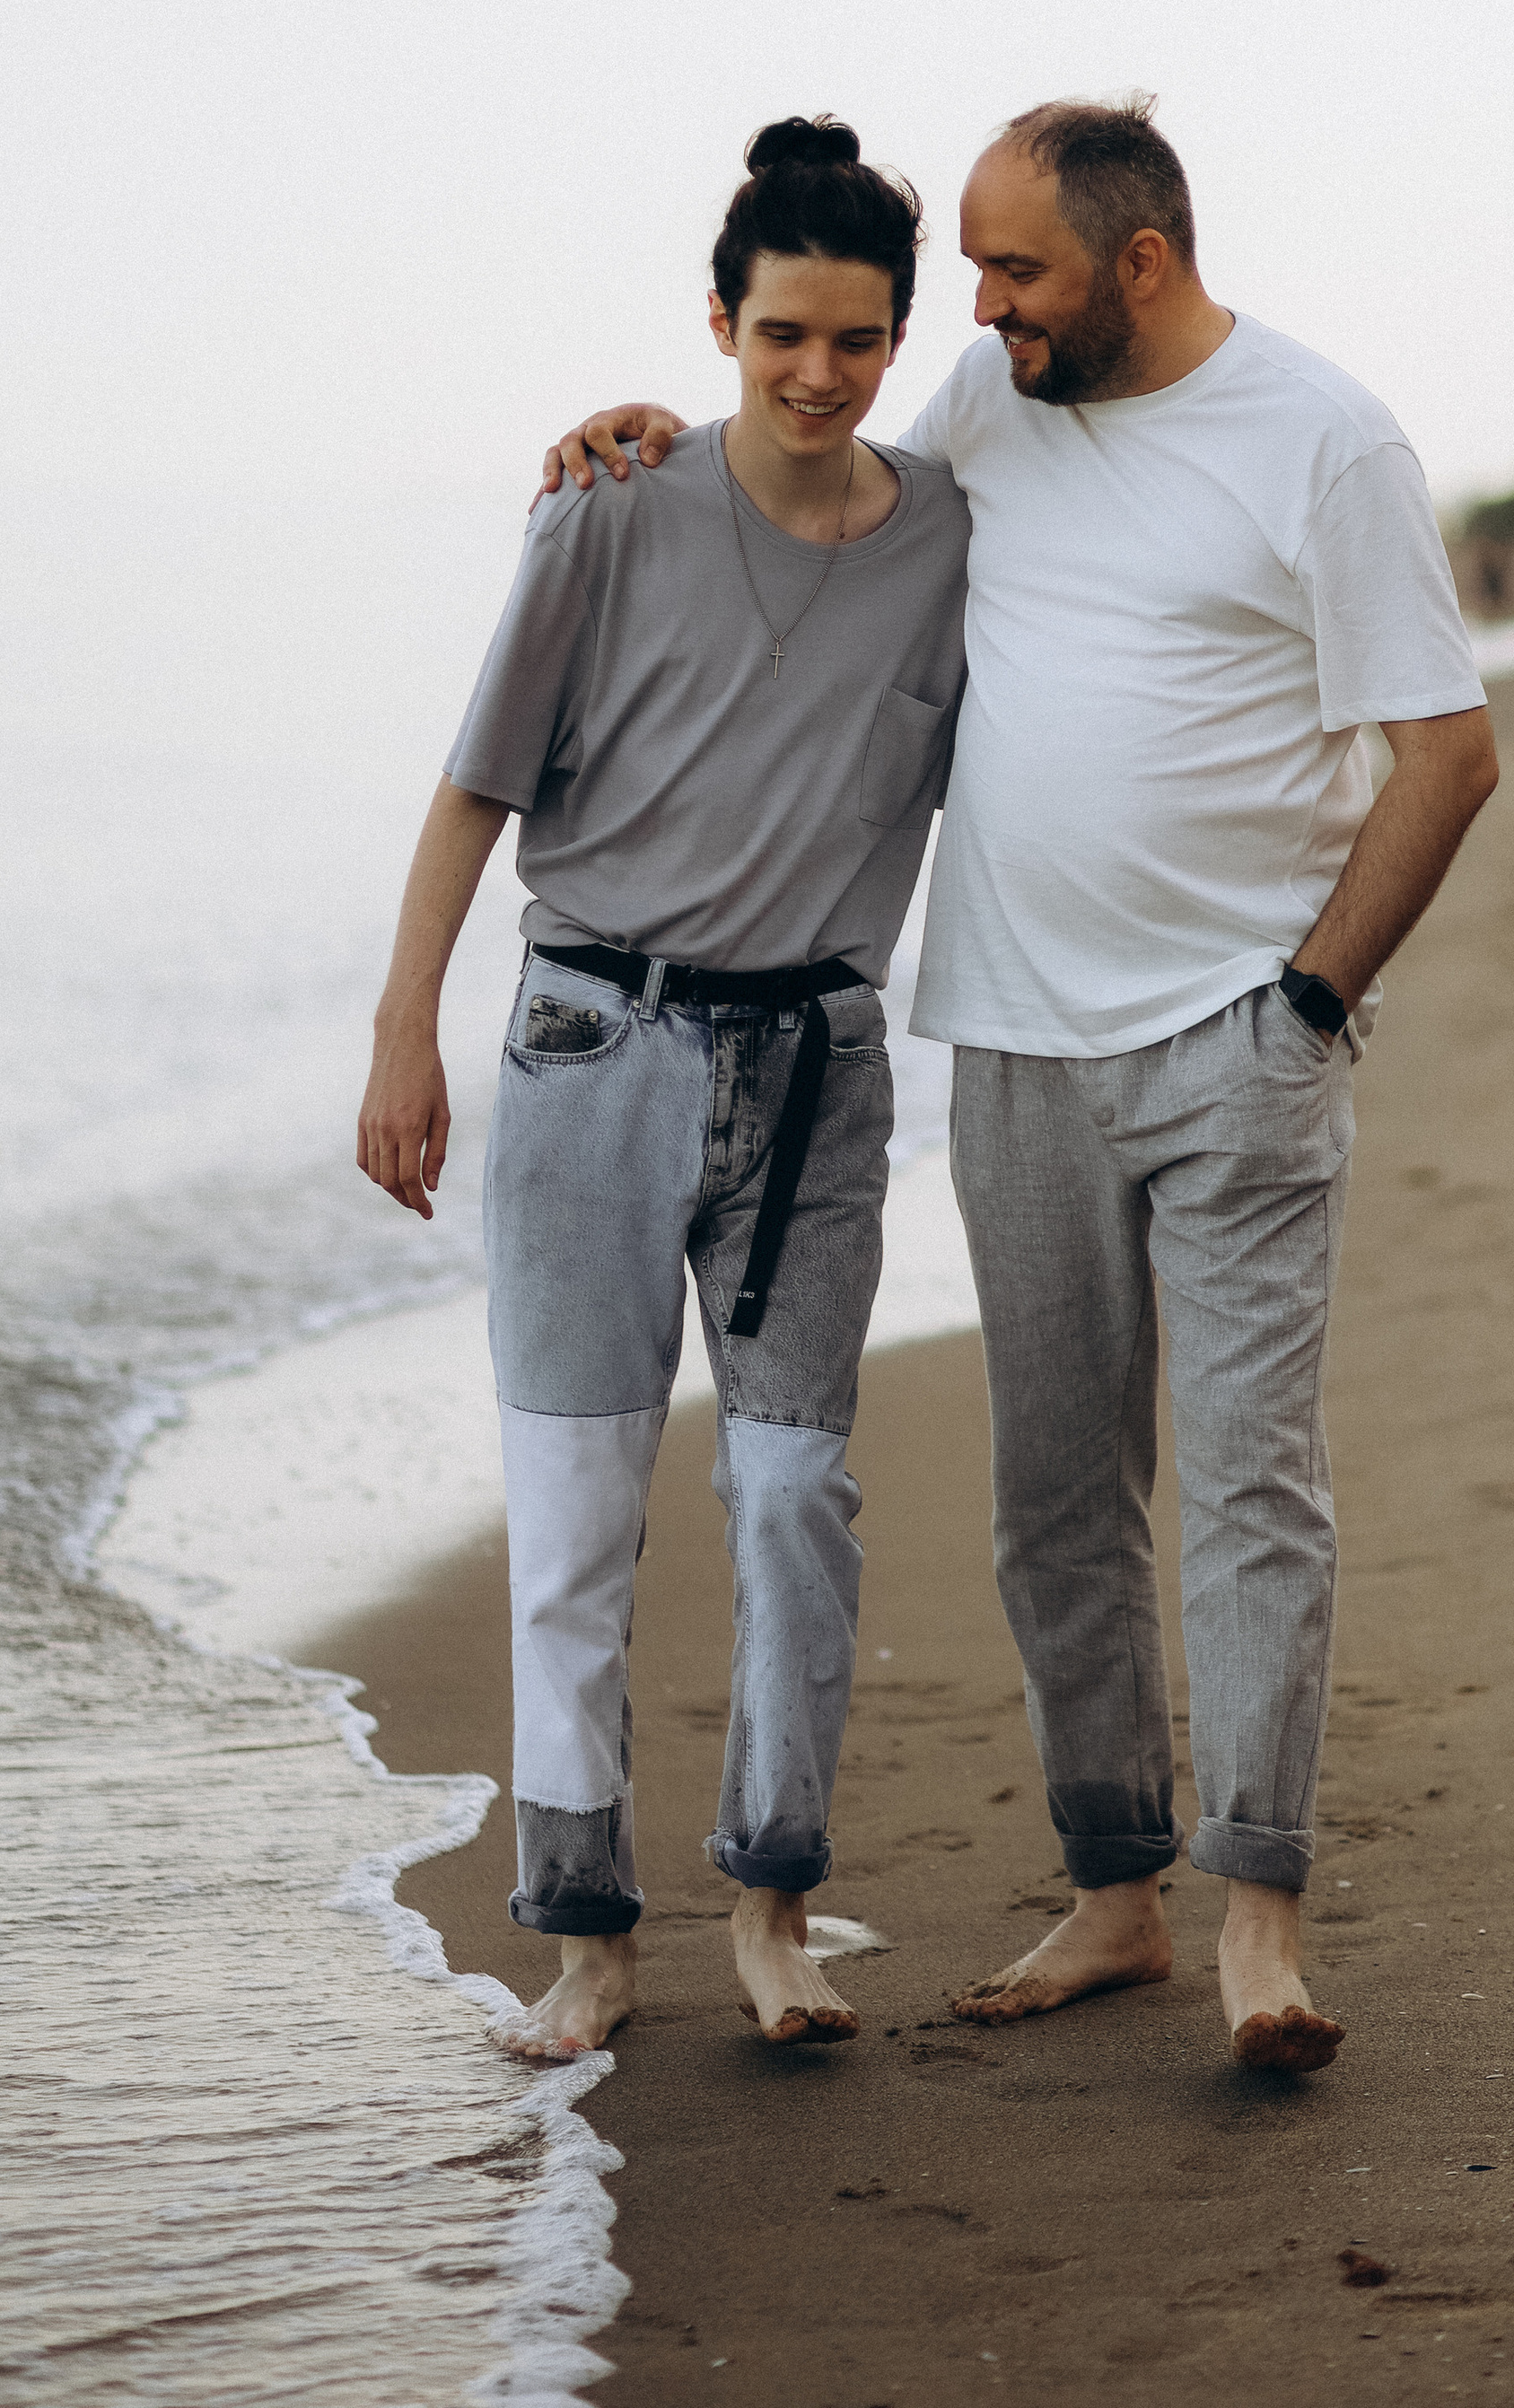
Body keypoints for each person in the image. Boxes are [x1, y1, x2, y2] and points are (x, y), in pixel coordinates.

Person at [546, 98, 1497, 2074]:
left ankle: (1260, 1925)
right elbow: (821, 506)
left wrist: (1308, 1006)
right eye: (968, 276)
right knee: (1054, 1503)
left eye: (1011, 272)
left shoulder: (1325, 441)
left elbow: (1445, 755)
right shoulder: (993, 402)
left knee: (1246, 1489)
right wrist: (640, 438)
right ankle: (1114, 1891)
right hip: (1013, 1050)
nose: (970, 311)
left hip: (1236, 1051)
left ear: (1135, 265)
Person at [358, 120, 968, 2062]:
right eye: (781, 331)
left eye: (855, 340)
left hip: (814, 1077)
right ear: (717, 321)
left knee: (793, 1498)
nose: (816, 374)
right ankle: (588, 1941)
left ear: (896, 336)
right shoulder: (605, 512)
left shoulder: (956, 533)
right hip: (584, 1055)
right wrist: (400, 1034)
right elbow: (476, 787)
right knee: (575, 1521)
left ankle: (773, 1907)